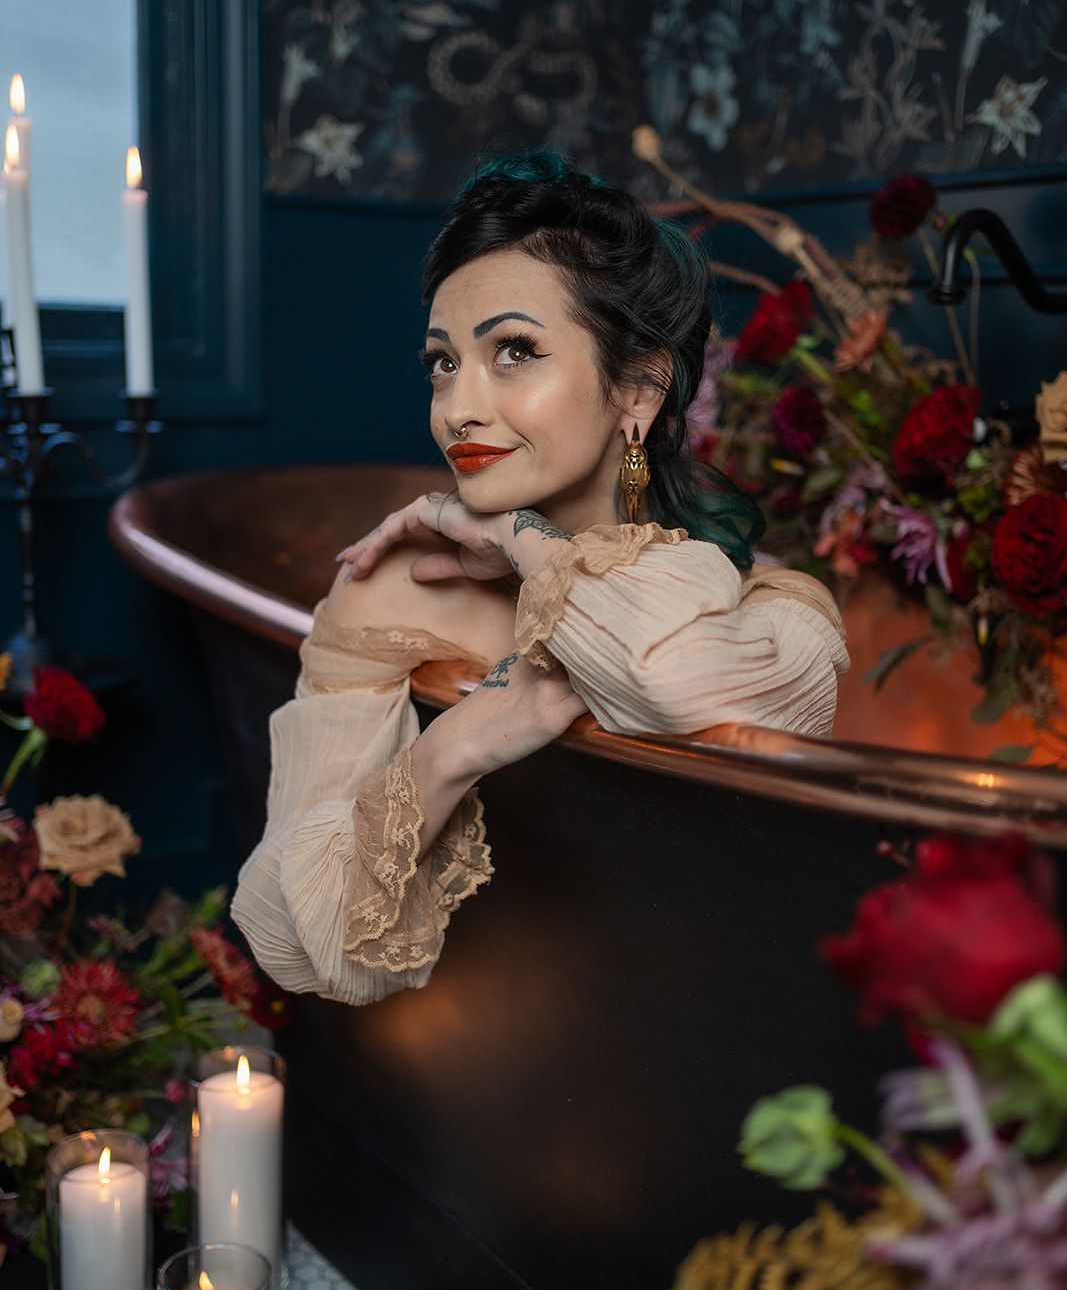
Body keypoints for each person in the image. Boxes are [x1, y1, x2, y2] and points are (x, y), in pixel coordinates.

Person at [231, 151, 849, 1007]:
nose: (456, 408)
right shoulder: (391, 595)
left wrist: (526, 543)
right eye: (443, 362)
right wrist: (458, 744)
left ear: (638, 390)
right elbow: (296, 942)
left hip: (722, 1038)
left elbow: (668, 680)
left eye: (513, 351)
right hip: (472, 1063)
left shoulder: (762, 595)